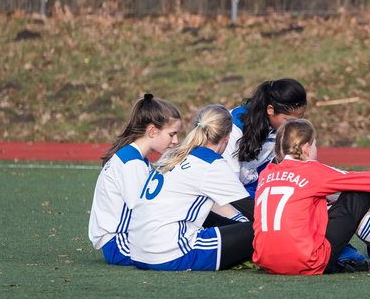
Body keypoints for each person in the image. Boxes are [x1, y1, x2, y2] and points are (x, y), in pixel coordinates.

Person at [252, 118, 370, 275]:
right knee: (360, 191)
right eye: (314, 144)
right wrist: (338, 197)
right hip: (307, 261)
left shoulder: (266, 173)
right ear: (306, 148)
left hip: (266, 262)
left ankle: (346, 258)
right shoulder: (311, 170)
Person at [128, 104, 255, 271]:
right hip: (168, 254)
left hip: (138, 251)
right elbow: (253, 211)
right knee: (259, 231)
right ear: (227, 137)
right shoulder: (210, 163)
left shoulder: (172, 153)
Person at [88, 93, 182, 266]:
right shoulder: (132, 163)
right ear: (152, 131)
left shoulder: (135, 158)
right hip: (118, 242)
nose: (176, 141)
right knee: (179, 248)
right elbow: (144, 211)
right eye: (172, 134)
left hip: (121, 239)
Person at [225, 78, 308, 195]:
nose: (294, 125)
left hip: (252, 186)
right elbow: (230, 186)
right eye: (289, 120)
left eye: (299, 118)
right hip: (225, 191)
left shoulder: (279, 127)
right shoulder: (233, 128)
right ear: (270, 110)